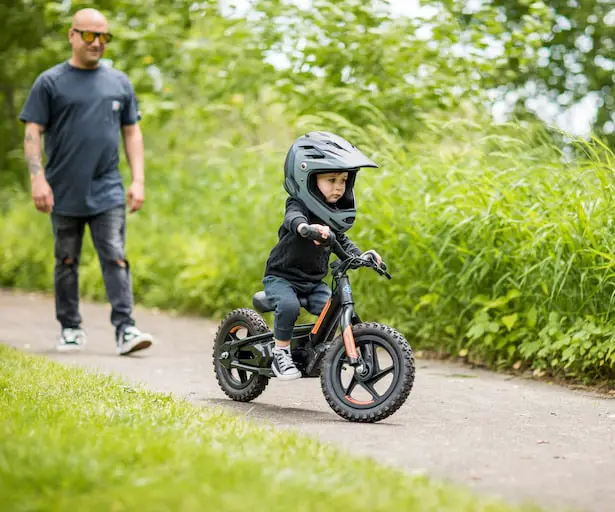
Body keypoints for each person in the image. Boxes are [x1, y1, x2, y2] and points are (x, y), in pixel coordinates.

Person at [18, 8, 154, 355]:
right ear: (72, 35)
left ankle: (126, 329)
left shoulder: (119, 82)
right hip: (62, 189)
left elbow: (132, 131)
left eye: (103, 37)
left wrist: (138, 180)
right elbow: (33, 131)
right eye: (90, 35)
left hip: (107, 187)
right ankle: (70, 328)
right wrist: (38, 179)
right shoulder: (50, 82)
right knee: (66, 260)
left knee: (115, 255)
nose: (97, 43)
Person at [263, 131, 383, 380]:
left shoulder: (332, 214)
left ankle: (319, 351)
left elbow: (343, 241)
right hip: (282, 278)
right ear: (308, 178)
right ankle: (281, 352)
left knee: (333, 310)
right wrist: (305, 228)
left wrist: (364, 256)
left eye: (343, 180)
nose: (339, 187)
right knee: (288, 306)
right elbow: (292, 219)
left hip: (313, 283)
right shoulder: (299, 206)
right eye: (331, 180)